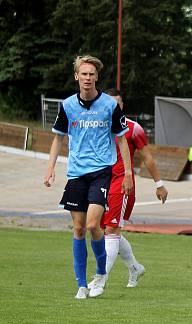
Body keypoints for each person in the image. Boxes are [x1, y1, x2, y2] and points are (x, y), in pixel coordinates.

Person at [43, 55, 133, 299]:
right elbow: (58, 138)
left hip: (101, 171)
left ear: (97, 77)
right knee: (79, 228)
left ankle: (101, 274)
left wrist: (127, 174)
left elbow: (122, 140)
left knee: (94, 224)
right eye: (83, 74)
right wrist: (50, 167)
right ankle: (81, 285)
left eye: (91, 74)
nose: (87, 78)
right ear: (77, 76)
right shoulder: (68, 105)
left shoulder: (109, 106)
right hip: (76, 173)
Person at [101, 88, 168, 293]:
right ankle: (135, 268)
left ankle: (99, 279)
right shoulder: (98, 127)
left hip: (123, 185)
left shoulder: (133, 128)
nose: (114, 107)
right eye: (110, 103)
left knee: (112, 230)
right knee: (106, 231)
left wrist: (159, 184)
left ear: (122, 105)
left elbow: (147, 158)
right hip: (100, 184)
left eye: (117, 103)